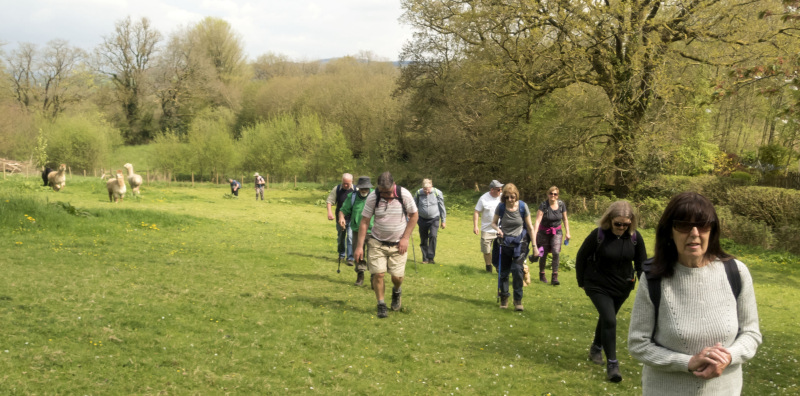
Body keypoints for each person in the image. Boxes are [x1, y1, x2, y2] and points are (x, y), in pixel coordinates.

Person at [628, 192, 762, 395]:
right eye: (683, 226)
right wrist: (687, 362)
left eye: (703, 225)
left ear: (712, 230)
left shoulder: (736, 273)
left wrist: (727, 357)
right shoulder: (654, 279)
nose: (694, 233)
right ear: (669, 232)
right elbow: (638, 343)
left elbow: (751, 334)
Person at [576, 200, 647, 382]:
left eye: (626, 224)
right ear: (610, 220)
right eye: (618, 224)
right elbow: (581, 256)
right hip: (597, 284)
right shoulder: (598, 235)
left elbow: (641, 265)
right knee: (609, 319)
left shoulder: (635, 238)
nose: (622, 227)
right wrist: (581, 281)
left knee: (607, 318)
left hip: (622, 286)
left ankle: (596, 348)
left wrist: (646, 287)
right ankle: (613, 365)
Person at [354, 172, 418, 319]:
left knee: (397, 277)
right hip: (377, 242)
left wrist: (405, 238)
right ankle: (381, 305)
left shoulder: (404, 195)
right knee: (378, 274)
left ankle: (396, 291)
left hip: (398, 244)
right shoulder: (373, 197)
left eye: (388, 192)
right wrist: (359, 247)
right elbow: (364, 221)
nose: (385, 195)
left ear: (393, 185)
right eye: (382, 192)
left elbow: (414, 215)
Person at [490, 183, 534, 311]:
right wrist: (498, 229)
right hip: (504, 243)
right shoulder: (501, 207)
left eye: (512, 197)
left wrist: (535, 246)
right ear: (504, 197)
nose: (510, 200)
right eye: (507, 197)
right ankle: (504, 298)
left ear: (516, 196)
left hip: (520, 244)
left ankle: (518, 300)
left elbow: (530, 227)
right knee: (503, 272)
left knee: (517, 270)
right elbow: (493, 223)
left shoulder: (522, 207)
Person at [339, 176, 374, 286]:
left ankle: (375, 278)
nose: (364, 190)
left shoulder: (375, 196)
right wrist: (341, 218)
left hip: (374, 231)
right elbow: (343, 210)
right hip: (356, 231)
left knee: (374, 256)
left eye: (366, 188)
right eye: (362, 188)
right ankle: (360, 275)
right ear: (358, 188)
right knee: (358, 255)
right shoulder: (352, 196)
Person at [532, 186, 571, 285]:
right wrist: (534, 233)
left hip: (556, 232)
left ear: (557, 196)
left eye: (555, 194)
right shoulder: (543, 205)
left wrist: (568, 232)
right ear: (548, 194)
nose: (553, 196)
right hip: (543, 232)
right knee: (543, 254)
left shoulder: (561, 205)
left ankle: (554, 277)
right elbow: (537, 220)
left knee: (556, 252)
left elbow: (565, 219)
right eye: (551, 193)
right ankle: (542, 274)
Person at [473, 180, 504, 273]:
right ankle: (488, 267)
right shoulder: (483, 198)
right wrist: (475, 226)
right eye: (498, 190)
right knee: (486, 250)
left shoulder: (503, 198)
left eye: (501, 189)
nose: (500, 191)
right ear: (492, 190)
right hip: (487, 229)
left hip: (500, 229)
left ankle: (498, 267)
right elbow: (476, 212)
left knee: (500, 249)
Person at [415, 178, 446, 264]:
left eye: (428, 189)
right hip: (421, 219)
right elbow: (414, 206)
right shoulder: (418, 193)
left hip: (434, 218)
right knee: (423, 238)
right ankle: (425, 258)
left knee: (433, 236)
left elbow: (442, 207)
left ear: (431, 186)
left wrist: (443, 220)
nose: (426, 191)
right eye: (425, 189)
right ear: (422, 187)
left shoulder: (437, 193)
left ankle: (431, 258)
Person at [326, 173, 355, 265]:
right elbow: (329, 201)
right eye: (344, 183)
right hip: (340, 218)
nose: (346, 185)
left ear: (352, 182)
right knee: (341, 237)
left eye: (348, 183)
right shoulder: (337, 189)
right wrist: (329, 212)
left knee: (350, 237)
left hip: (352, 218)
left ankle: (350, 258)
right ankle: (341, 255)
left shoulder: (356, 190)